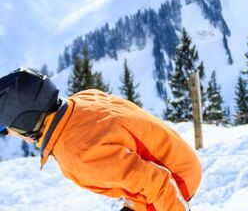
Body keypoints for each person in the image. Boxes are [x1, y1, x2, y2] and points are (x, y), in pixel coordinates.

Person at [0, 67, 202, 210]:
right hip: (176, 156)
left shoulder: (76, 154)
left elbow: (159, 183)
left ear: (24, 121)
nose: (7, 132)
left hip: (176, 178)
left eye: (4, 127)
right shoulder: (81, 100)